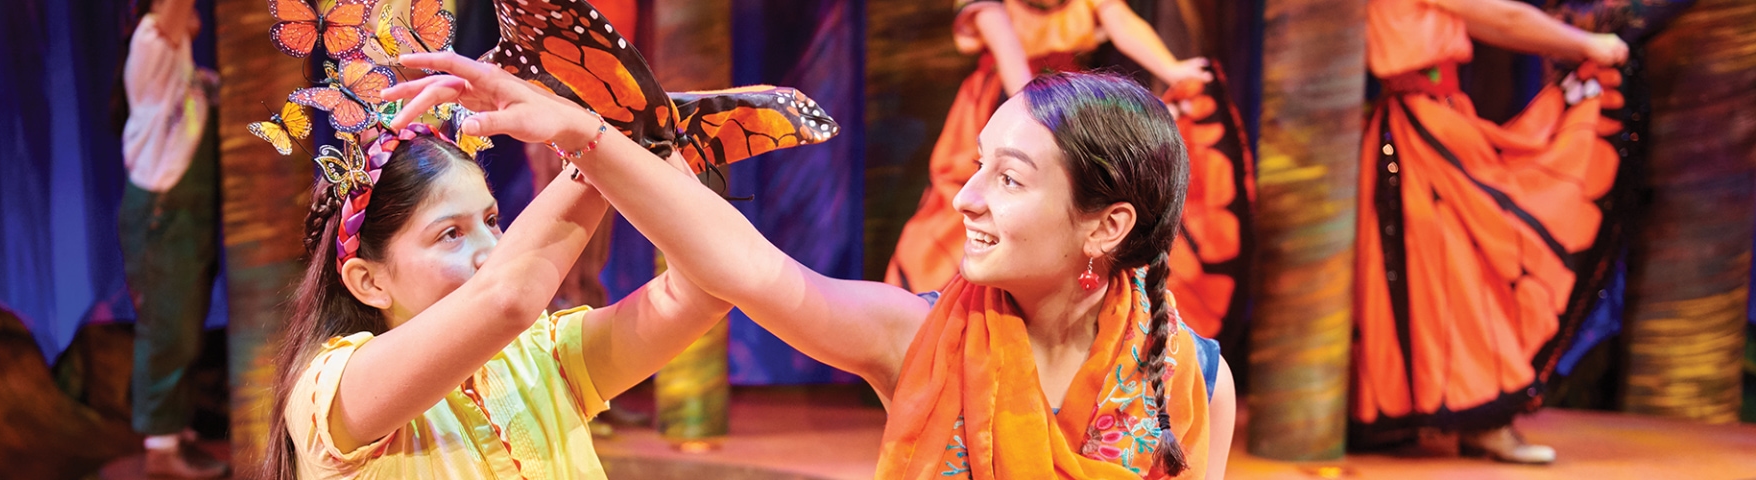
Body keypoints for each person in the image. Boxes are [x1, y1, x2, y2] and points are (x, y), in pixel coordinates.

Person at [387, 53, 1237, 479]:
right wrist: (585, 135)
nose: (965, 197)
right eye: (975, 163)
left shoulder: (1194, 378)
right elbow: (749, 268)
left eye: (1007, 179)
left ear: (1107, 225)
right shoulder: (912, 339)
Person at [258, 123, 740, 479]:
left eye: (491, 220)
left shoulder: (538, 355)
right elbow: (508, 297)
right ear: (369, 282)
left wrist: (662, 152)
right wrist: (603, 141)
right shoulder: (331, 389)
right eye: (451, 234)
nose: (492, 250)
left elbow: (704, 291)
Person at [1349, 0, 1629, 464]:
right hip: (1419, 126)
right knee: (1454, 272)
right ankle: (1481, 419)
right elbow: (1500, 16)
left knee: (1430, 272)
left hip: (1418, 119)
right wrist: (1587, 43)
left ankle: (1417, 413)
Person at [889, 0, 1249, 339]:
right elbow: (1009, 53)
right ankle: (937, 333)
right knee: (969, 214)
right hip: (1013, 104)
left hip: (1070, 98)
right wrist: (1041, 119)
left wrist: (1171, 70)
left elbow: (1120, 21)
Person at [117, 0, 225, 475]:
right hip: (164, 214)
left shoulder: (185, 66)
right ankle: (160, 451)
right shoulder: (151, 40)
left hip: (187, 216)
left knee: (186, 324)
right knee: (168, 327)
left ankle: (176, 432)